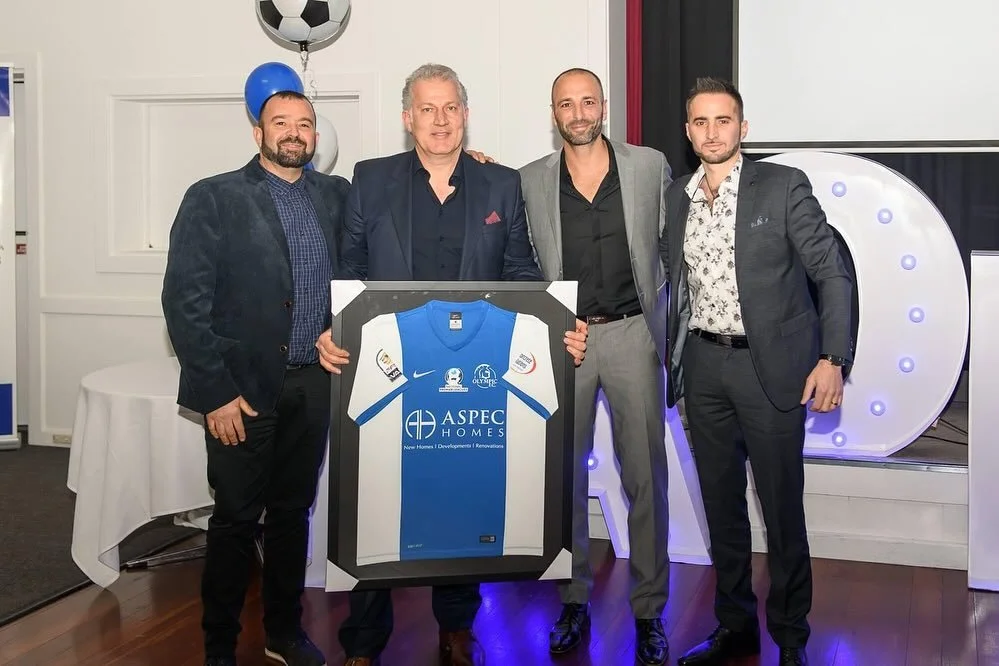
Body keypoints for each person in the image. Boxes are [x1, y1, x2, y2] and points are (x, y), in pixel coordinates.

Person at [316, 63, 586, 666]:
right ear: (408, 118)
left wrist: (554, 328)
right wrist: (331, 330)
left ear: (465, 114)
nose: (440, 120)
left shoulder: (500, 185)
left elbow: (519, 273)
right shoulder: (370, 179)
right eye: (427, 109)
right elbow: (349, 270)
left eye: (451, 108)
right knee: (377, 496)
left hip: (468, 369)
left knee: (460, 494)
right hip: (390, 363)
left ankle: (456, 630)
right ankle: (364, 642)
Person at [663, 78, 853, 666]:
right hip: (703, 367)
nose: (711, 132)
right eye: (700, 122)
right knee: (721, 510)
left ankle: (792, 638)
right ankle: (735, 627)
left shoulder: (783, 186)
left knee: (781, 511)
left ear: (743, 129)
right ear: (689, 130)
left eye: (724, 121)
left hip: (771, 373)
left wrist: (833, 358)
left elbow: (834, 274)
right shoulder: (676, 196)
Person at [162, 90, 347, 666]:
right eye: (281, 123)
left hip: (314, 385)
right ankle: (219, 646)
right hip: (239, 394)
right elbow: (183, 303)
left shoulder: (337, 197)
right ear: (258, 133)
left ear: (316, 136)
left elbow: (395, 214)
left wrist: (476, 164)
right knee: (237, 520)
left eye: (305, 124)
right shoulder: (213, 198)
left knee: (293, 515)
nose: (294, 133)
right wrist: (214, 391)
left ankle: (283, 633)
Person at [518, 68, 672, 666]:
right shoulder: (529, 181)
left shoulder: (649, 167)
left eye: (587, 101)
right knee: (564, 478)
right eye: (566, 104)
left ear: (604, 105)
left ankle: (651, 609)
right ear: (553, 112)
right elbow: (521, 257)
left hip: (634, 333)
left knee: (645, 477)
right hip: (567, 340)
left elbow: (670, 244)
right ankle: (574, 597)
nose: (578, 113)